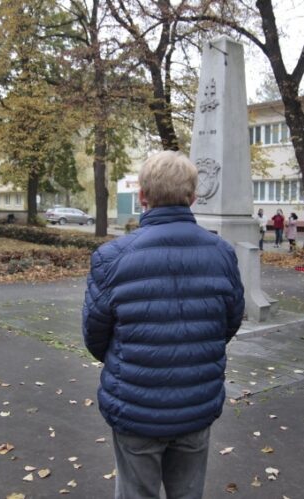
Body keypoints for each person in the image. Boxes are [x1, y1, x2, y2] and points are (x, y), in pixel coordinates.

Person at [83, 150, 245, 499]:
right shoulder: (222, 254)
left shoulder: (112, 258)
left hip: (134, 406)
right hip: (196, 404)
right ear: (192, 197)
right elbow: (228, 324)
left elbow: (95, 336)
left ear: (142, 196)